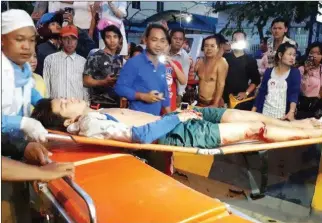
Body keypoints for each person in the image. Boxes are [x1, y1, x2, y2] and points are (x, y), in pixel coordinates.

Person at [32, 98, 322, 149]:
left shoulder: (92, 113)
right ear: (66, 120)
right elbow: (141, 136)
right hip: (179, 132)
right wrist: (178, 117)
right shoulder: (89, 126)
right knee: (257, 131)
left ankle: (304, 124)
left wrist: (180, 114)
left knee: (242, 115)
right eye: (63, 104)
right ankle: (307, 133)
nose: (69, 98)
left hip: (178, 120)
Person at [2, 9, 48, 143]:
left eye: (32, 40)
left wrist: (55, 107)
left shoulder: (25, 71)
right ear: (2, 40)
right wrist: (23, 123)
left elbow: (36, 98)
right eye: (19, 39)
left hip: (16, 146)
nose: (27, 47)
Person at [115, 24, 171, 116]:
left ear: (165, 43)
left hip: (154, 120)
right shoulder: (134, 63)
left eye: (162, 41)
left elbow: (164, 92)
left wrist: (171, 117)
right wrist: (142, 96)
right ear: (145, 40)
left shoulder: (162, 66)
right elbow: (119, 88)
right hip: (136, 119)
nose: (158, 45)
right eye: (154, 40)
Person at [252, 42, 301, 121]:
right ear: (280, 55)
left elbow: (294, 93)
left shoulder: (295, 72)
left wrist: (291, 111)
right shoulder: (268, 71)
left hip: (282, 117)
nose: (292, 58)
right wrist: (253, 111)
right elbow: (262, 92)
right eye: (290, 54)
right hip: (264, 113)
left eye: (294, 55)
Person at [44, 25, 89, 100]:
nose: (70, 42)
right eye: (66, 38)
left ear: (77, 41)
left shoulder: (83, 61)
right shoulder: (50, 59)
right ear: (61, 40)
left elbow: (86, 89)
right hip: (56, 106)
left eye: (73, 39)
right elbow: (46, 85)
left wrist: (86, 104)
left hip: (76, 107)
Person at [84, 24, 123, 109]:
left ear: (120, 39)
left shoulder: (119, 59)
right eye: (108, 37)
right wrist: (103, 82)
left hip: (117, 105)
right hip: (99, 105)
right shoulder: (95, 56)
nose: (112, 40)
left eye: (115, 37)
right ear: (104, 39)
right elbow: (86, 81)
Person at [223, 30, 261, 110]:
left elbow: (255, 80)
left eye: (240, 40)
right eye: (235, 40)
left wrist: (246, 93)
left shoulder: (250, 59)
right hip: (224, 97)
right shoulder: (224, 57)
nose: (237, 42)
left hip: (240, 99)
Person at [195, 35, 229, 107]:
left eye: (212, 46)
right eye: (206, 46)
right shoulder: (200, 62)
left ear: (217, 48)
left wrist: (215, 104)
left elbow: (221, 84)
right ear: (203, 48)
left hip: (214, 103)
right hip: (200, 102)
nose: (209, 48)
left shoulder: (221, 62)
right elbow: (193, 78)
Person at [297, 42, 322, 119]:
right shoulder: (301, 69)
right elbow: (302, 90)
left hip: (317, 105)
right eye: (312, 53)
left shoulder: (321, 69)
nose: (314, 56)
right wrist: (306, 72)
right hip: (304, 105)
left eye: (318, 53)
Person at [169, 28, 190, 106]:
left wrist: (180, 95)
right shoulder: (163, 51)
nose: (177, 41)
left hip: (173, 91)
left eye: (180, 39)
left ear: (183, 41)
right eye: (175, 38)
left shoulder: (185, 57)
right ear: (170, 39)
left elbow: (184, 78)